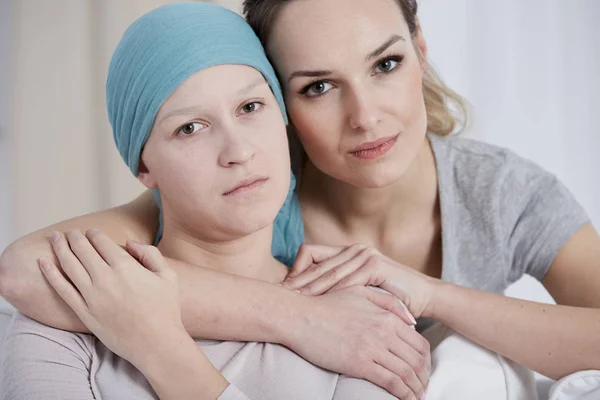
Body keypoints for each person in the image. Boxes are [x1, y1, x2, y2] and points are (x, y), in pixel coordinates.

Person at [1, 0, 599, 391]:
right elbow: (30, 271)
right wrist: (307, 317)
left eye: (386, 63)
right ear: (282, 105)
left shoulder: (504, 194)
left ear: (420, 45)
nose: (365, 116)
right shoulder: (250, 194)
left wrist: (434, 296)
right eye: (318, 86)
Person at [0, 3, 421, 400]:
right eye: (190, 128)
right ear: (143, 167)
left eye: (250, 106)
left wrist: (160, 349)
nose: (237, 150)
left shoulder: (363, 324)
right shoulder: (61, 314)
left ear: (284, 119)